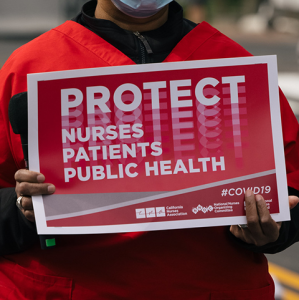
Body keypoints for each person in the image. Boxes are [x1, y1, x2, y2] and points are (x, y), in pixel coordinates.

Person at [0, 0, 299, 299]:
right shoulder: (29, 66)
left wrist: (275, 228)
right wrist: (23, 209)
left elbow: (291, 185)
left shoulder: (235, 67)